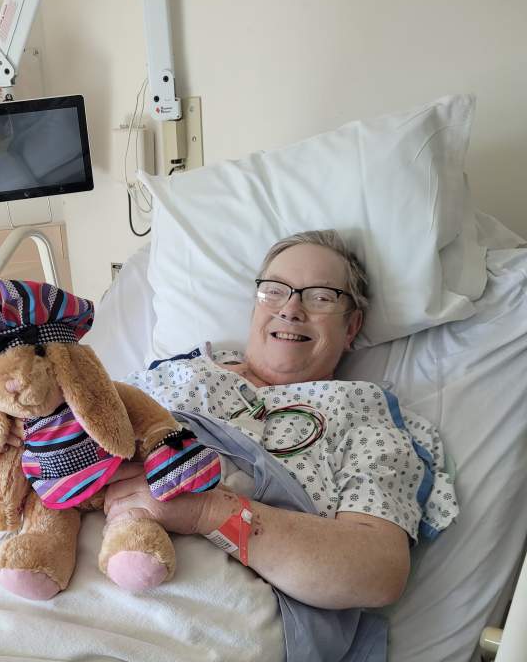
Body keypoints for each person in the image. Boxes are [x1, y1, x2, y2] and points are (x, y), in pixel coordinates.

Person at [103, 230, 458, 611]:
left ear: (352, 327)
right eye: (274, 291)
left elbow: (378, 571)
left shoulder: (363, 417)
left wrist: (205, 511)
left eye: (320, 297)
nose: (290, 309)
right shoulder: (177, 374)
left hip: (200, 612)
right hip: (82, 569)